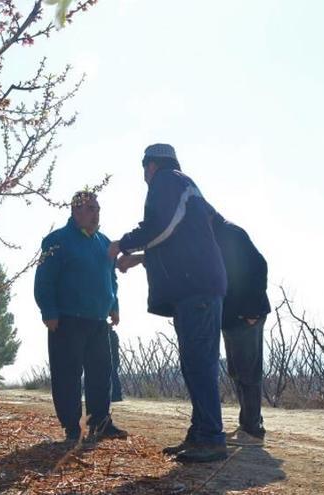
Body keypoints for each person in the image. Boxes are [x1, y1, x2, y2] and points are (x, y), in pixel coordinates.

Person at [110, 143, 228, 463]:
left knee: (200, 364)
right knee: (194, 363)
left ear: (151, 165)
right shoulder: (183, 185)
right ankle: (201, 433)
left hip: (196, 290)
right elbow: (179, 239)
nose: (144, 177)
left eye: (143, 169)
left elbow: (161, 225)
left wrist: (123, 243)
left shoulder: (168, 181)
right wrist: (137, 259)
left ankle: (212, 438)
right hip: (196, 288)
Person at [34, 190, 127, 443]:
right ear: (76, 211)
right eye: (91, 209)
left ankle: (100, 422)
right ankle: (72, 428)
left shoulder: (105, 242)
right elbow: (44, 281)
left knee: (101, 372)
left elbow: (111, 278)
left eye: (98, 208)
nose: (97, 214)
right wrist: (49, 311)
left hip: (98, 320)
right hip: (66, 319)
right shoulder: (56, 241)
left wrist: (114, 305)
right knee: (67, 375)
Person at [213, 214, 271, 446]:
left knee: (248, 371)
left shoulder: (230, 233)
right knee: (236, 370)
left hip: (248, 314)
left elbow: (259, 266)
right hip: (232, 316)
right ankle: (248, 422)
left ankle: (253, 428)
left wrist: (251, 311)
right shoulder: (214, 235)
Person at [109, 328, 124, 402]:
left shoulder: (111, 335)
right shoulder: (113, 335)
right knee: (114, 376)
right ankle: (116, 395)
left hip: (113, 359)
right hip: (114, 359)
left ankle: (116, 395)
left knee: (113, 376)